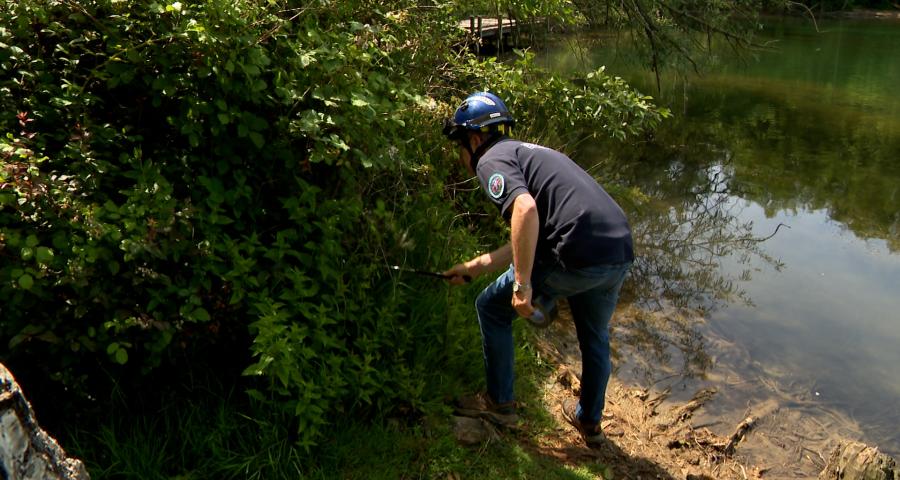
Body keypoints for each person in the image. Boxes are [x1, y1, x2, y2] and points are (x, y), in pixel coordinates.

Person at [442, 92, 634, 446]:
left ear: (474, 140)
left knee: (491, 308)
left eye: (459, 146)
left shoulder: (490, 159)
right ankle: (590, 422)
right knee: (595, 335)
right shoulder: (528, 152)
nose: (460, 156)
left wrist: (522, 285)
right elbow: (527, 235)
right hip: (618, 250)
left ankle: (500, 404)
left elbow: (525, 210)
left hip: (575, 252)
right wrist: (475, 267)